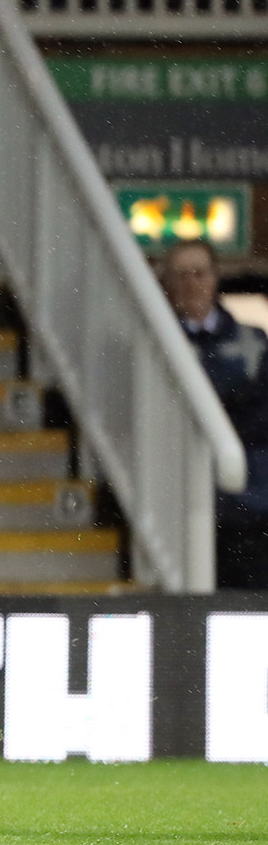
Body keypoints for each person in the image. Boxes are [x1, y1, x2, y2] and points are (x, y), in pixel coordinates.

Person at [158, 238, 268, 589]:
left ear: (215, 279)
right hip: (180, 500)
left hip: (250, 506)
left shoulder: (255, 342)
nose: (192, 283)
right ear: (168, 283)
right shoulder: (153, 347)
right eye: (181, 275)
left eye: (199, 273)